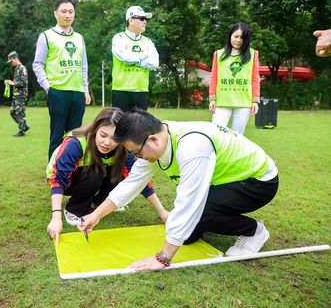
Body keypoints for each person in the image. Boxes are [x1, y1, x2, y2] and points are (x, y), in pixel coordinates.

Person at [79, 109, 279, 271]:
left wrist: (163, 258)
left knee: (197, 215)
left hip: (257, 182)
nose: (136, 158)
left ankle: (253, 231)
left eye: (135, 153)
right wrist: (96, 214)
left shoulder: (192, 147)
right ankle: (213, 220)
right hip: (224, 182)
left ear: (153, 141)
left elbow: (191, 202)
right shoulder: (156, 138)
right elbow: (132, 183)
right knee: (187, 235)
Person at [46, 107, 168, 245]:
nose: (107, 143)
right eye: (103, 135)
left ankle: (99, 203)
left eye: (114, 138)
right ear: (95, 129)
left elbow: (140, 180)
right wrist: (56, 217)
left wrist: (162, 212)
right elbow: (58, 179)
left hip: (94, 175)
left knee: (121, 173)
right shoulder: (76, 143)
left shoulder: (124, 147)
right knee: (96, 172)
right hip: (67, 182)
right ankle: (74, 209)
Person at [33, 0, 91, 159]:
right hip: (58, 91)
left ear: (75, 14)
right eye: (63, 11)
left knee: (76, 136)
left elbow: (83, 65)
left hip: (77, 92)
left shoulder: (79, 38)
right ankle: (54, 171)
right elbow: (37, 64)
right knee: (57, 134)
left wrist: (85, 90)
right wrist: (48, 87)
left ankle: (72, 168)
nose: (67, 15)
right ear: (55, 14)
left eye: (71, 12)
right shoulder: (46, 36)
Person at [208, 22, 260, 135]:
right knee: (216, 133)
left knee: (238, 136)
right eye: (236, 36)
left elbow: (255, 78)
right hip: (222, 101)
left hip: (244, 102)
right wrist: (212, 98)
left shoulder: (253, 54)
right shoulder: (218, 54)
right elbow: (214, 77)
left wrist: (255, 101)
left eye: (242, 37)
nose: (238, 40)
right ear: (230, 36)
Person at [111, 6, 159, 112]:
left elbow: (154, 63)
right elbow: (125, 58)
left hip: (141, 91)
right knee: (120, 126)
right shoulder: (119, 38)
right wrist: (145, 55)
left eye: (145, 19)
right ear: (131, 20)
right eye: (141, 18)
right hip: (121, 90)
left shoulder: (148, 41)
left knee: (140, 127)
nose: (145, 21)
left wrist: (135, 61)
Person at [5, 51, 30, 137]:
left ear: (15, 58)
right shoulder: (17, 69)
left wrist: (13, 83)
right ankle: (24, 126)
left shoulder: (22, 68)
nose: (11, 63)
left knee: (20, 113)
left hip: (21, 96)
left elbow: (24, 82)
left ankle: (22, 131)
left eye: (11, 61)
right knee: (12, 112)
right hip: (16, 95)